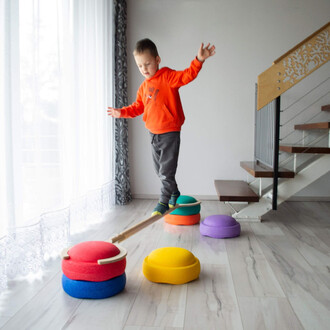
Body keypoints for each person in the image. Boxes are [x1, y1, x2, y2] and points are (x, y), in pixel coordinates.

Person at [107, 38, 215, 216]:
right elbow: (137, 108)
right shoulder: (143, 87)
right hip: (153, 134)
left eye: (147, 64)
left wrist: (199, 60)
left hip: (170, 132)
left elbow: (187, 75)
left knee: (166, 171)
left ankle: (163, 202)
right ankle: (174, 192)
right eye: (140, 66)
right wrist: (122, 112)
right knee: (160, 171)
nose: (144, 69)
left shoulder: (167, 76)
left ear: (157, 60)